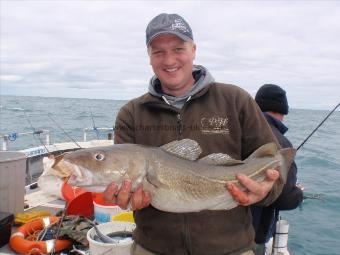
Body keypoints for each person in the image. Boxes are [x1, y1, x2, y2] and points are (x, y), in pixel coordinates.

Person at [104, 13, 285, 255]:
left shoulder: (235, 100)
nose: (169, 60)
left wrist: (267, 190)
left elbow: (273, 163)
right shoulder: (131, 113)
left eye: (178, 48)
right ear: (149, 57)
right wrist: (124, 198)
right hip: (153, 248)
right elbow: (125, 188)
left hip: (231, 248)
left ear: (193, 50)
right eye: (158, 52)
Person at [251, 84, 304, 255]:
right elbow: (283, 198)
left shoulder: (240, 132)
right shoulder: (281, 144)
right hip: (252, 234)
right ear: (282, 112)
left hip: (223, 230)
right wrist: (297, 193)